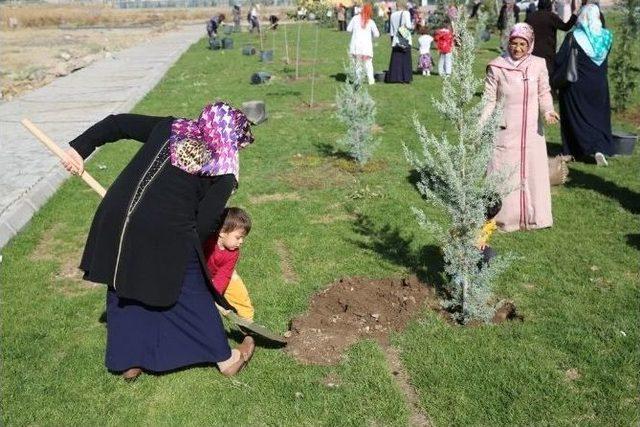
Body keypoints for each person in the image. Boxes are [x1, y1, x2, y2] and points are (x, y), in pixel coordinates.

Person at [61, 102, 257, 380]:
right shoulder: (223, 169)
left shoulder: (170, 127)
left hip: (118, 215)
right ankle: (226, 359)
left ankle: (128, 360)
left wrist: (79, 148)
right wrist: (194, 258)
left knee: (123, 283)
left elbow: (117, 123)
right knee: (192, 288)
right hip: (166, 229)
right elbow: (205, 222)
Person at [481, 23, 559, 232]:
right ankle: (504, 218)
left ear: (530, 44)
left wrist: (548, 111)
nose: (517, 48)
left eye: (522, 44)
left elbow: (544, 92)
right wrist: (481, 123)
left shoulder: (538, 65)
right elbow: (489, 100)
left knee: (533, 172)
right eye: (514, 43)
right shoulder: (497, 67)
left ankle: (536, 217)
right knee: (504, 172)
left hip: (532, 132)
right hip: (505, 131)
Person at [556, 4, 613, 165]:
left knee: (575, 116)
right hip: (599, 84)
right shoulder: (607, 37)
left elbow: (562, 59)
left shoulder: (574, 36)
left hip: (577, 84)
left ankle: (574, 149)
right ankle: (600, 148)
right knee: (598, 117)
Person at [204, 207, 255, 321]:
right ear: (222, 232)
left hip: (220, 276)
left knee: (238, 290)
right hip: (201, 274)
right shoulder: (206, 241)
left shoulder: (233, 253)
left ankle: (248, 322)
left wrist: (214, 294)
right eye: (238, 237)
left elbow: (224, 275)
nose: (241, 241)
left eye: (243, 238)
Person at [525, 0, 577, 80]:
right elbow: (565, 27)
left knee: (535, 77)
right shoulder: (551, 17)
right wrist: (574, 15)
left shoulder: (530, 17)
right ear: (549, 5)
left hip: (533, 52)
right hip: (548, 52)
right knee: (548, 78)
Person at [347, 3, 381, 85]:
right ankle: (371, 81)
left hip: (356, 45)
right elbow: (377, 34)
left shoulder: (355, 18)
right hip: (366, 46)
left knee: (358, 64)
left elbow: (348, 29)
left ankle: (358, 80)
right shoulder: (371, 21)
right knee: (368, 64)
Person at [385, 0, 414, 83]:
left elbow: (391, 30)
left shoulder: (393, 15)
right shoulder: (406, 13)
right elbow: (408, 26)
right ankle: (405, 77)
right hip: (404, 38)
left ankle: (395, 77)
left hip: (395, 39)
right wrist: (412, 27)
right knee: (405, 59)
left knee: (396, 59)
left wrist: (392, 40)